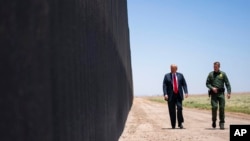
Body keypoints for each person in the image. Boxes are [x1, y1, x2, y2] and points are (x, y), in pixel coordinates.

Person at [206, 61, 231, 129]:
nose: (214, 68)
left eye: (216, 67)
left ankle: (222, 122)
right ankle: (214, 121)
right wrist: (212, 88)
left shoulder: (223, 74)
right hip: (213, 94)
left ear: (219, 67)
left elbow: (227, 83)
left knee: (222, 108)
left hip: (221, 94)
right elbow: (207, 83)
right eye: (214, 67)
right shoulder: (210, 74)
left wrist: (229, 92)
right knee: (214, 107)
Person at [163, 64, 188, 129]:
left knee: (179, 108)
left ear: (176, 69)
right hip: (170, 96)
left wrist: (186, 92)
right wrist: (165, 94)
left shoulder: (180, 75)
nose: (171, 69)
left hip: (178, 95)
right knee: (172, 111)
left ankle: (180, 123)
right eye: (171, 68)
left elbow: (184, 84)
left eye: (173, 68)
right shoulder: (166, 76)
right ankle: (173, 124)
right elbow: (164, 85)